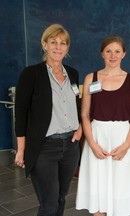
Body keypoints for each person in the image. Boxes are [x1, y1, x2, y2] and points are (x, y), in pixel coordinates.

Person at [76, 35, 130, 216]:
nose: (113, 55)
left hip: (123, 138)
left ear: (124, 54)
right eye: (108, 51)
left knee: (121, 189)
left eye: (117, 51)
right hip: (97, 136)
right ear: (102, 54)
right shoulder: (91, 78)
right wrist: (92, 144)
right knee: (98, 190)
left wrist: (126, 146)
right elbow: (85, 114)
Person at [14, 24, 82, 216]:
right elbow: (21, 113)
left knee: (61, 199)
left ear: (67, 47)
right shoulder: (31, 74)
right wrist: (21, 150)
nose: (58, 47)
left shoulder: (73, 74)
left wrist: (80, 129)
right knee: (49, 203)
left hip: (70, 146)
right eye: (53, 42)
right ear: (45, 45)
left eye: (63, 43)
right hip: (44, 148)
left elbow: (76, 105)